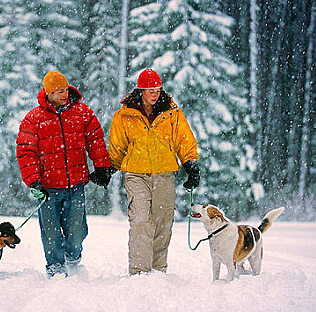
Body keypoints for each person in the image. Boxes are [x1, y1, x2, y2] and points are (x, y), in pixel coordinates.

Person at [16, 71, 111, 278]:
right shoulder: (34, 119)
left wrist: (102, 167)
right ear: (48, 93)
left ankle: (73, 258)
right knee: (50, 233)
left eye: (66, 90)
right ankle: (55, 267)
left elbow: (95, 139)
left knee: (77, 231)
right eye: (59, 91)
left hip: (76, 184)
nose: (64, 94)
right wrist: (33, 181)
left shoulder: (82, 112)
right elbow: (25, 152)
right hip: (48, 189)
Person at [108, 68, 200, 275]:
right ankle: (139, 271)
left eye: (158, 90)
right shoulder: (125, 115)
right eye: (150, 90)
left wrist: (190, 164)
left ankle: (158, 270)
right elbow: (117, 144)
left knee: (162, 222)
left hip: (164, 174)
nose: (155, 95)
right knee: (140, 221)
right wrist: (110, 167)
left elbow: (183, 139)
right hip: (136, 175)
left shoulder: (171, 113)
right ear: (141, 91)